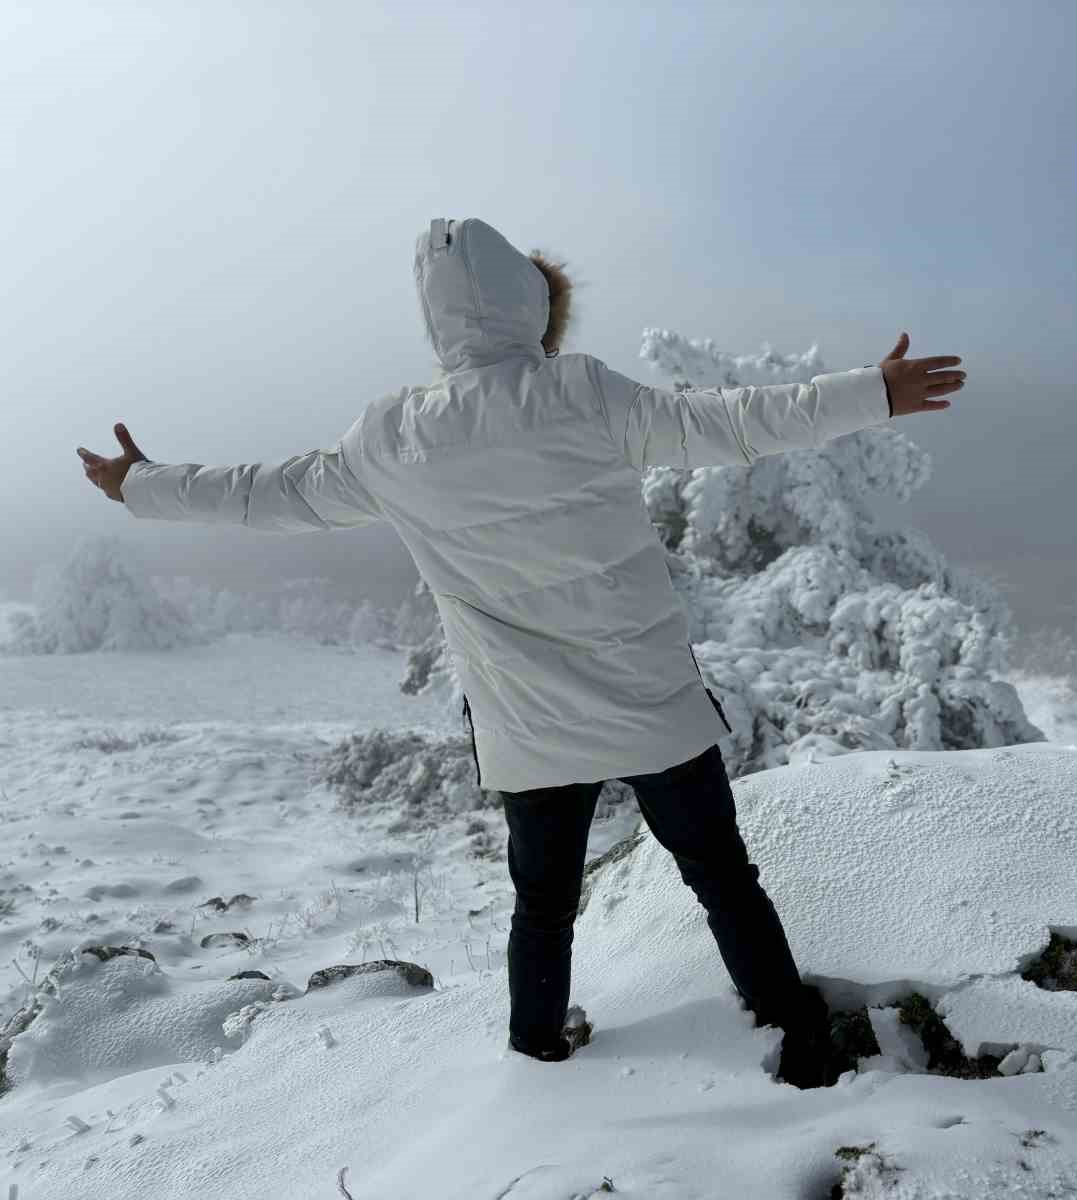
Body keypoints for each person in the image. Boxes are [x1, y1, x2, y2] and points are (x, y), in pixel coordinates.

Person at [76, 217, 965, 1087]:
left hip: (528, 726)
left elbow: (262, 495)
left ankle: (538, 1051)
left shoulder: (392, 437)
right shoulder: (581, 393)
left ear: (436, 321)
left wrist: (140, 487)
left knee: (542, 905)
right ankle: (793, 1028)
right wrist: (872, 392)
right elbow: (732, 422)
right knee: (724, 881)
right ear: (533, 306)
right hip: (651, 704)